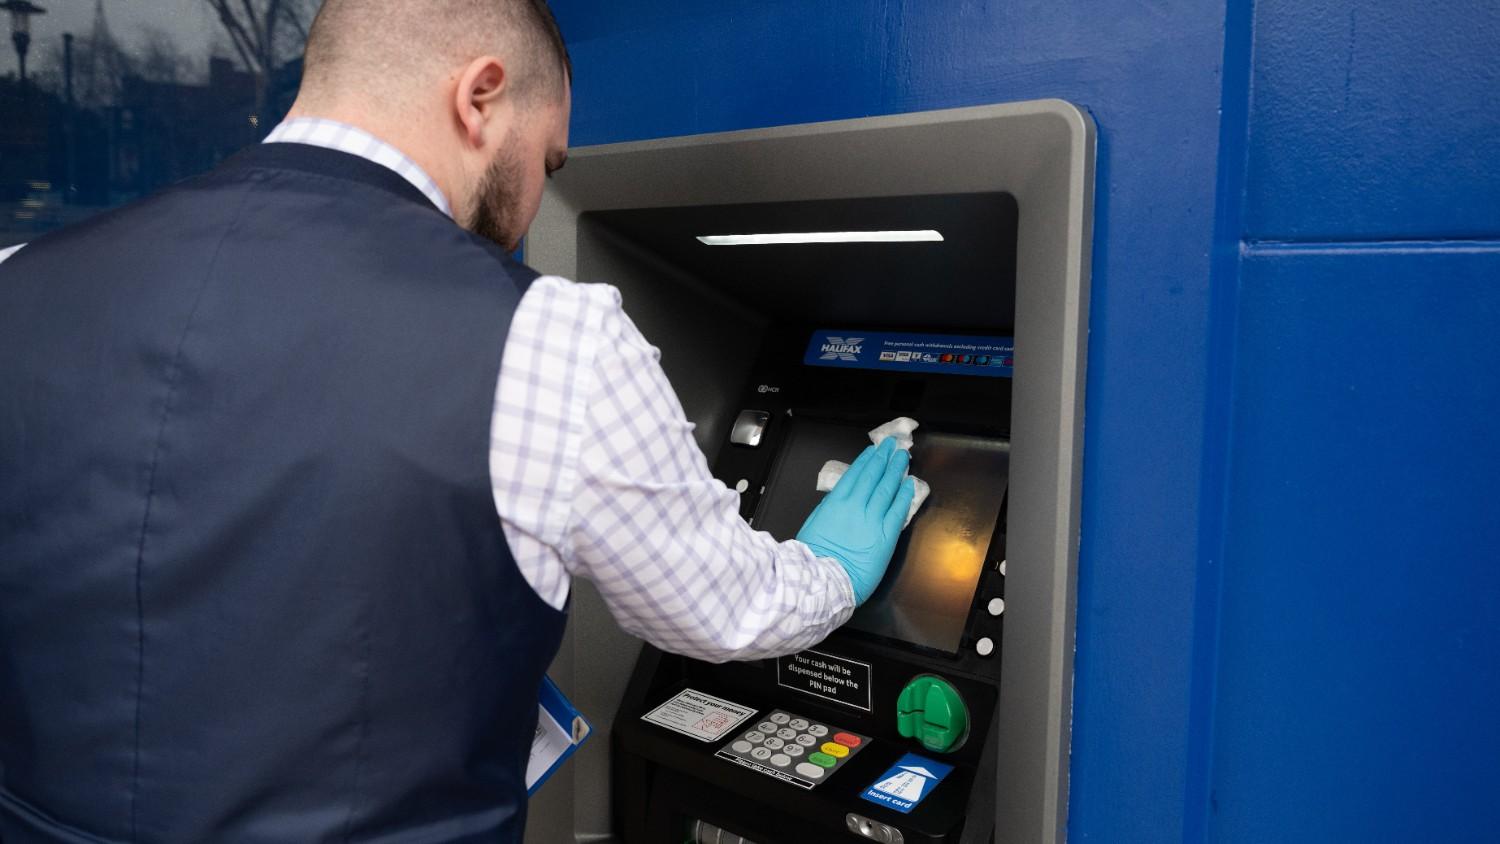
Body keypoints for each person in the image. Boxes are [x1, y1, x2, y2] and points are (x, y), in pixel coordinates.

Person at [0, 1, 915, 841]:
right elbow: (727, 609)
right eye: (546, 161)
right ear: (480, 98)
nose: (532, 202)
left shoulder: (23, 279)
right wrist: (832, 567)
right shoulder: (550, 337)